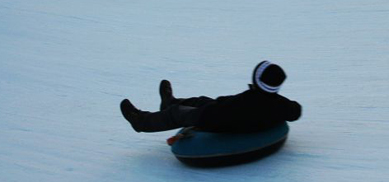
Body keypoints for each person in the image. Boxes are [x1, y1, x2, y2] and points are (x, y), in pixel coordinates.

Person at [120, 61, 302, 133]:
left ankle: (141, 122)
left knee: (178, 113)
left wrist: (214, 106)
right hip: (226, 114)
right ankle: (170, 102)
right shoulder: (279, 104)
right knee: (202, 100)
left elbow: (227, 108)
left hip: (215, 120)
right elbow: (296, 110)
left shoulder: (248, 99)